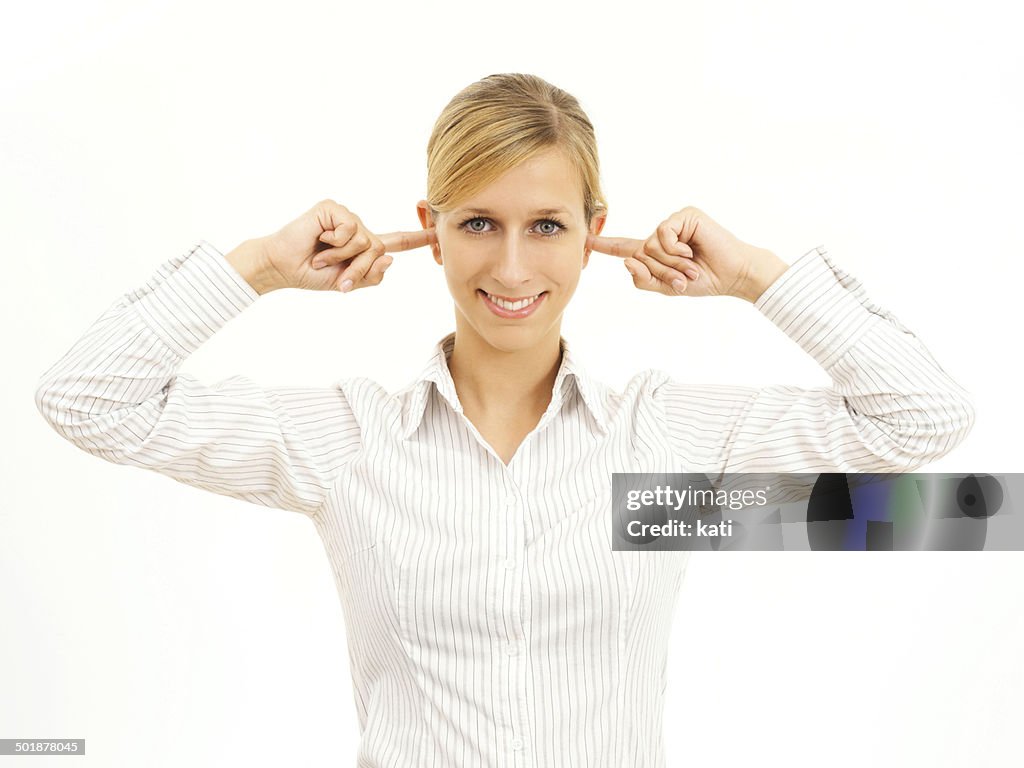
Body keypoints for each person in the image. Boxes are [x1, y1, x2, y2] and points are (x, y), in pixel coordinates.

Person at [34, 73, 974, 767]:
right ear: (430, 227)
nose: (513, 267)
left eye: (548, 225)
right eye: (479, 222)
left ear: (595, 227)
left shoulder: (660, 447)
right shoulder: (350, 443)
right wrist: (262, 265)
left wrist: (757, 276)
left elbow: (920, 421)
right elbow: (89, 399)